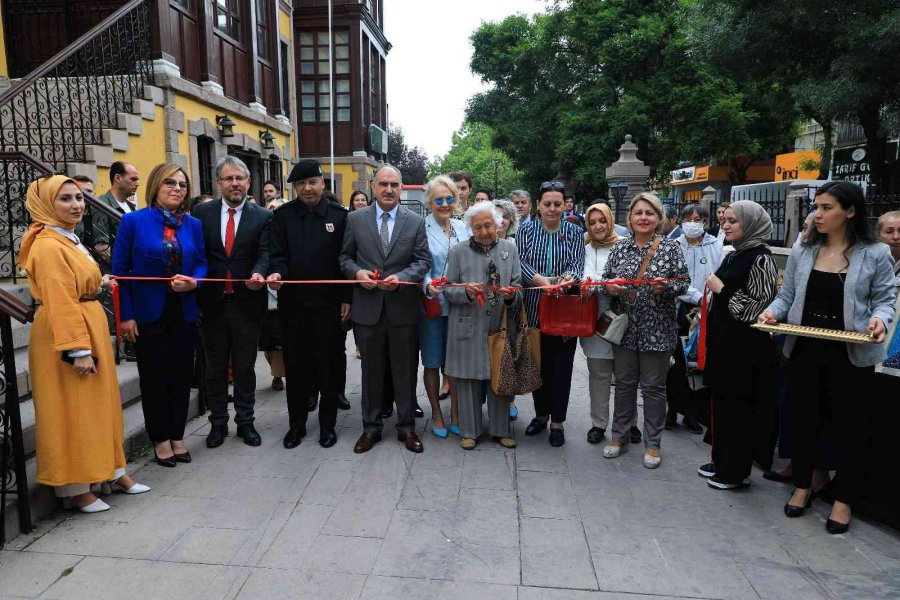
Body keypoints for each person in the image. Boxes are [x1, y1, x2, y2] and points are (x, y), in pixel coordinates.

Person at [759, 181, 895, 534]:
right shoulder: (804, 249)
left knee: (851, 428)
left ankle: (843, 499)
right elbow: (786, 296)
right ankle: (803, 486)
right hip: (804, 349)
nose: (816, 214)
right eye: (816, 207)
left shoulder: (876, 253)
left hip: (852, 355)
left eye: (826, 207)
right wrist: (772, 313)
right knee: (804, 422)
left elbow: (885, 299)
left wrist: (880, 319)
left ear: (849, 211)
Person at [21, 175, 149, 513]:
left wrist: (98, 280)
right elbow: (60, 298)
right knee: (73, 411)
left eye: (79, 197)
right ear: (48, 204)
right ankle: (77, 488)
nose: (77, 205)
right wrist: (76, 350)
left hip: (86, 321)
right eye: (65, 199)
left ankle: (110, 471)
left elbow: (75, 282)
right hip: (67, 332)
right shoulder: (48, 244)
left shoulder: (68, 238)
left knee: (99, 405)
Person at [112, 163, 207, 467]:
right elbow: (120, 272)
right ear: (155, 185)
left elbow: (203, 263)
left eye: (182, 184)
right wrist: (125, 315)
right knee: (154, 379)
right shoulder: (133, 222)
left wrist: (195, 282)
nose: (177, 188)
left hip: (184, 311)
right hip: (147, 313)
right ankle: (160, 439)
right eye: (170, 182)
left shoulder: (193, 225)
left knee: (181, 376)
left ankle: (177, 436)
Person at [340, 164, 431, 454]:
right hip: (368, 309)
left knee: (405, 371)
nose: (389, 189)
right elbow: (344, 257)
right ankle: (371, 428)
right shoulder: (355, 219)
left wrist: (403, 278)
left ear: (401, 188)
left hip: (403, 309)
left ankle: (406, 428)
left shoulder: (415, 221)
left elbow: (422, 261)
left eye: (394, 184)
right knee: (371, 372)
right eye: (383, 184)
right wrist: (357, 274)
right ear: (373, 186)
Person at [601, 192, 689, 468]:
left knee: (653, 388)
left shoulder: (670, 248)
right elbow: (606, 279)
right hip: (626, 329)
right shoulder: (620, 248)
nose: (643, 218)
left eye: (649, 213)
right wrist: (610, 286)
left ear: (658, 218)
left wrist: (668, 287)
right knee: (625, 385)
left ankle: (653, 443)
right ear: (630, 218)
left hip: (658, 329)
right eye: (638, 213)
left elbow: (684, 282)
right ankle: (619, 436)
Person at [268, 160, 351, 448]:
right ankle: (296, 425)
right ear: (294, 187)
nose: (307, 188)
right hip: (293, 307)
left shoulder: (340, 217)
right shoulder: (283, 217)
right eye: (301, 184)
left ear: (322, 183)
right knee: (297, 367)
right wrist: (277, 272)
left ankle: (328, 426)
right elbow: (276, 253)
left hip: (329, 307)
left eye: (312, 182)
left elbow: (346, 260)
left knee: (328, 367)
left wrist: (346, 299)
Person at [193, 156, 271, 449]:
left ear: (248, 182)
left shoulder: (262, 217)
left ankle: (246, 423)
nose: (235, 183)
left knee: (244, 367)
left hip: (247, 304)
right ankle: (217, 424)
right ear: (219, 183)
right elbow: (197, 254)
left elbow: (265, 252)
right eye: (229, 178)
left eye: (240, 178)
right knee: (214, 368)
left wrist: (259, 272)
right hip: (211, 304)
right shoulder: (201, 214)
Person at [700, 201, 778, 489]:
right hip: (725, 345)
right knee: (723, 406)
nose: (727, 225)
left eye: (734, 221)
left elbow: (756, 309)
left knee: (740, 410)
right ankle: (721, 462)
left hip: (746, 350)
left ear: (751, 223)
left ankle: (735, 471)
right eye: (725, 221)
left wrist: (721, 290)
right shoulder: (736, 254)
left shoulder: (761, 259)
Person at [444, 203, 521, 449]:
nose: (484, 231)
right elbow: (447, 289)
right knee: (467, 380)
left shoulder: (510, 248)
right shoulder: (458, 251)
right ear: (471, 229)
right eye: (478, 227)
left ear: (498, 224)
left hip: (499, 323)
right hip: (467, 323)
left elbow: (519, 286)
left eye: (488, 225)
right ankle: (470, 430)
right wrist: (465, 291)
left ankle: (501, 430)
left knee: (499, 377)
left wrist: (511, 296)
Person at [517, 181, 586, 447]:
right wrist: (539, 281)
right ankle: (540, 414)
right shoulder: (526, 230)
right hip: (533, 307)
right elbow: (520, 262)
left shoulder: (573, 231)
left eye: (558, 204)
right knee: (538, 364)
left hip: (563, 309)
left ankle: (558, 420)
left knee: (562, 368)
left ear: (565, 204)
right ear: (538, 205)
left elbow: (577, 265)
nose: (553, 209)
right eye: (547, 204)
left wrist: (563, 281)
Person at [420, 176, 470, 438]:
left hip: (461, 306)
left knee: (456, 364)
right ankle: (437, 413)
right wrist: (426, 284)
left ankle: (458, 413)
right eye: (438, 199)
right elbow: (418, 263)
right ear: (430, 202)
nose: (444, 204)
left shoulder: (464, 228)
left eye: (449, 198)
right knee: (432, 361)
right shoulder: (421, 228)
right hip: (434, 305)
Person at [666, 204, 723, 433]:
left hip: (707, 311)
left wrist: (707, 299)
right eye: (688, 219)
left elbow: (718, 275)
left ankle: (692, 414)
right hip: (680, 309)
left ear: (706, 222)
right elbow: (673, 279)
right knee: (676, 363)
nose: (692, 223)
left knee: (698, 361)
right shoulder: (673, 246)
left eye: (697, 219)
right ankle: (672, 409)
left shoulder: (716, 246)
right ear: (680, 221)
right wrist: (697, 296)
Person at [580, 203, 619, 444]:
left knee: (626, 377)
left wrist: (597, 282)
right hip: (595, 321)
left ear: (610, 221)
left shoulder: (625, 245)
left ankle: (629, 424)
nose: (598, 226)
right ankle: (599, 424)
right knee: (599, 375)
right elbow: (585, 279)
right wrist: (606, 283)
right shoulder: (584, 248)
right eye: (592, 222)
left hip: (624, 318)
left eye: (602, 220)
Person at [259, 198, 285, 392]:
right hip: (264, 289)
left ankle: (280, 373)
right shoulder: (263, 232)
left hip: (284, 288)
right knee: (269, 338)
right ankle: (276, 373)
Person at [94, 162, 140, 259]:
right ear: (118, 178)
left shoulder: (131, 207)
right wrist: (125, 268)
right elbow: (101, 247)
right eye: (133, 179)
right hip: (116, 272)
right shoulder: (102, 205)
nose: (137, 184)